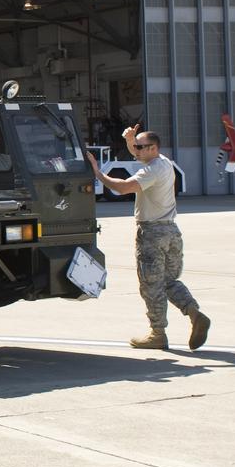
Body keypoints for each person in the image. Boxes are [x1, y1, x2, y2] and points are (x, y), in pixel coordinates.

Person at [88, 125, 210, 351]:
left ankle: (157, 334)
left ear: (153, 148)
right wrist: (131, 140)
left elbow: (123, 188)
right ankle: (194, 314)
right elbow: (137, 153)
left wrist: (97, 173)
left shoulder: (151, 170)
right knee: (169, 282)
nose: (136, 151)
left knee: (151, 285)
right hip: (171, 231)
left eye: (140, 147)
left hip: (152, 233)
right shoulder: (163, 162)